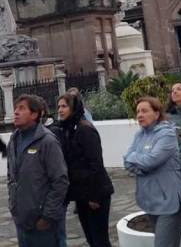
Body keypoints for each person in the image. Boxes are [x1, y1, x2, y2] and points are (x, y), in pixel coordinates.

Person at [7, 94, 69, 247]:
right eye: (16, 108)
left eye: (21, 108)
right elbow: (11, 176)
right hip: (22, 220)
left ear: (34, 114)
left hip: (43, 224)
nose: (16, 112)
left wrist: (47, 216)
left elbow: (60, 181)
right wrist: (13, 206)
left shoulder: (47, 141)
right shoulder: (13, 140)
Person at [124, 96, 181, 247]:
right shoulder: (139, 135)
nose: (139, 115)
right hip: (150, 198)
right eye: (138, 111)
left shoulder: (167, 134)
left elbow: (151, 161)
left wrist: (134, 158)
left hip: (168, 201)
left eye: (144, 111)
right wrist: (140, 162)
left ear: (157, 114)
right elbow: (127, 163)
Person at [57, 93, 114, 247]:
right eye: (59, 107)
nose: (60, 110)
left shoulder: (85, 130)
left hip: (95, 194)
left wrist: (94, 196)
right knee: (91, 239)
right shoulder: (69, 129)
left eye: (64, 106)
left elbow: (96, 165)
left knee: (99, 240)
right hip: (81, 194)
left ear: (74, 108)